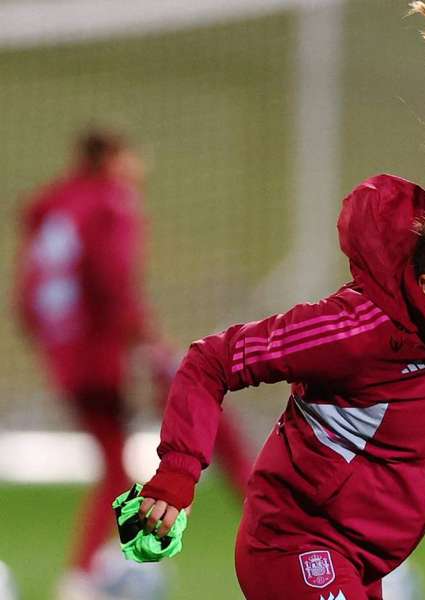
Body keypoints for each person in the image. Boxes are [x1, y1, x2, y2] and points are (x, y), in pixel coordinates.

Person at [136, 3, 425, 599]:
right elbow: (212, 360)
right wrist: (177, 474)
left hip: (362, 562)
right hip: (295, 545)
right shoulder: (355, 329)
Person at [12, 128, 255, 599]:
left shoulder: (55, 208)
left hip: (67, 356)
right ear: (112, 159)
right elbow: (111, 276)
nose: (140, 169)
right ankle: (286, 530)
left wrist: (58, 345)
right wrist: (139, 342)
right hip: (112, 349)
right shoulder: (111, 202)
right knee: (210, 414)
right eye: (133, 158)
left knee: (113, 465)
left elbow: (26, 301)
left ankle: (78, 581)